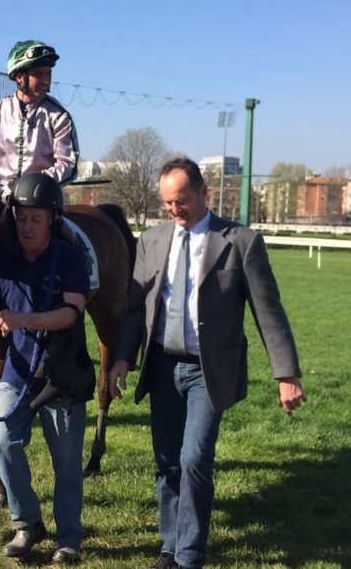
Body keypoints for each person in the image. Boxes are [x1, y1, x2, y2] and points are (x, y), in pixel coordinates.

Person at [108, 158, 307, 569]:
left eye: (181, 201)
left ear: (204, 193)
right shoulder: (151, 240)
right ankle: (170, 544)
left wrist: (286, 374)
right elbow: (133, 309)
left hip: (208, 371)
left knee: (194, 458)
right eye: (167, 203)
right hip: (161, 365)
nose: (174, 210)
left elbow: (268, 311)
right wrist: (123, 358)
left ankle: (189, 555)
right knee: (167, 461)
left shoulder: (240, 242)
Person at [0, 172, 92, 564]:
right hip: (18, 375)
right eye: (21, 217)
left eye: (35, 218)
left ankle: (69, 538)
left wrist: (21, 320)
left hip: (61, 376)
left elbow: (70, 314)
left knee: (66, 462)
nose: (27, 225)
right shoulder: (3, 262)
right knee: (1, 443)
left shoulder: (69, 258)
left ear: (52, 219)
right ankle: (27, 523)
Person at [0, 40, 79, 202]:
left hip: (43, 202)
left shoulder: (59, 116)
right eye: (39, 74)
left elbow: (67, 165)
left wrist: (28, 185)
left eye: (48, 73)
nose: (46, 80)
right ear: (20, 77)